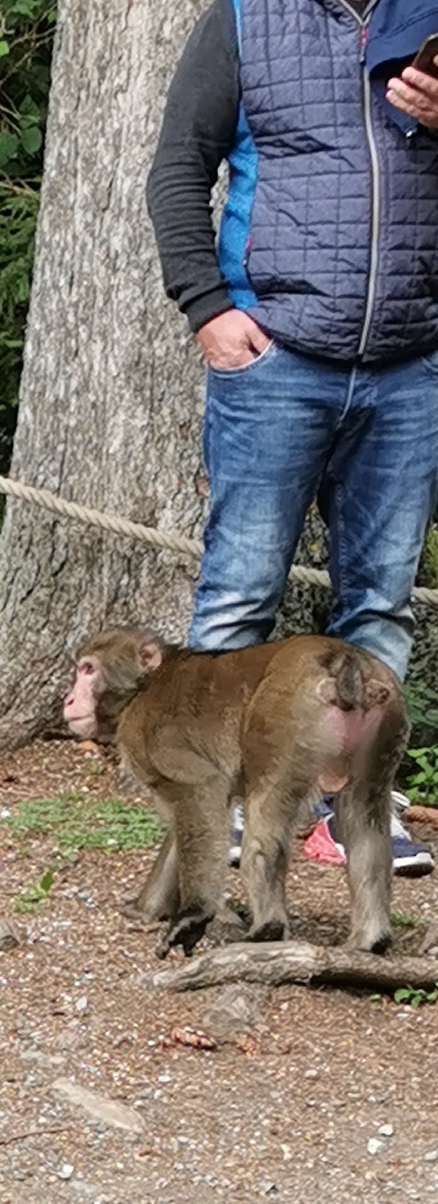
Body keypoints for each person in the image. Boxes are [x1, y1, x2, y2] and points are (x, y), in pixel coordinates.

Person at [146, 0, 438, 876]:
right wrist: (206, 309)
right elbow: (175, 168)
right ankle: (226, 805)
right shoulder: (242, 18)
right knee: (239, 595)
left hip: (411, 365)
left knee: (379, 607)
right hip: (275, 359)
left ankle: (354, 811)